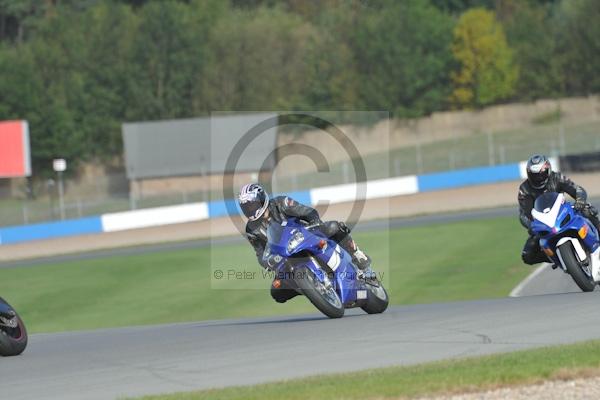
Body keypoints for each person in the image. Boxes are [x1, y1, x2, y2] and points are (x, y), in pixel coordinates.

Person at [238, 183, 373, 303]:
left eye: (252, 205)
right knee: (277, 291)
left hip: (306, 234)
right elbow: (260, 253)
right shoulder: (251, 230)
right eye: (246, 207)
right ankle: (312, 288)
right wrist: (267, 263)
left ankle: (358, 256)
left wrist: (315, 222)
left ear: (262, 200)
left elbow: (307, 211)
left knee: (333, 227)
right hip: (285, 255)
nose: (250, 210)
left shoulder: (281, 203)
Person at [518, 154, 600, 265]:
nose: (539, 178)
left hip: (564, 212)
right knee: (527, 255)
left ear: (548, 170)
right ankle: (558, 258)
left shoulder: (557, 177)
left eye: (542, 174)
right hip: (544, 224)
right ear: (529, 174)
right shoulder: (524, 189)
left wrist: (580, 201)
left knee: (587, 210)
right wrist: (530, 225)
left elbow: (576, 189)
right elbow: (524, 213)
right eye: (535, 175)